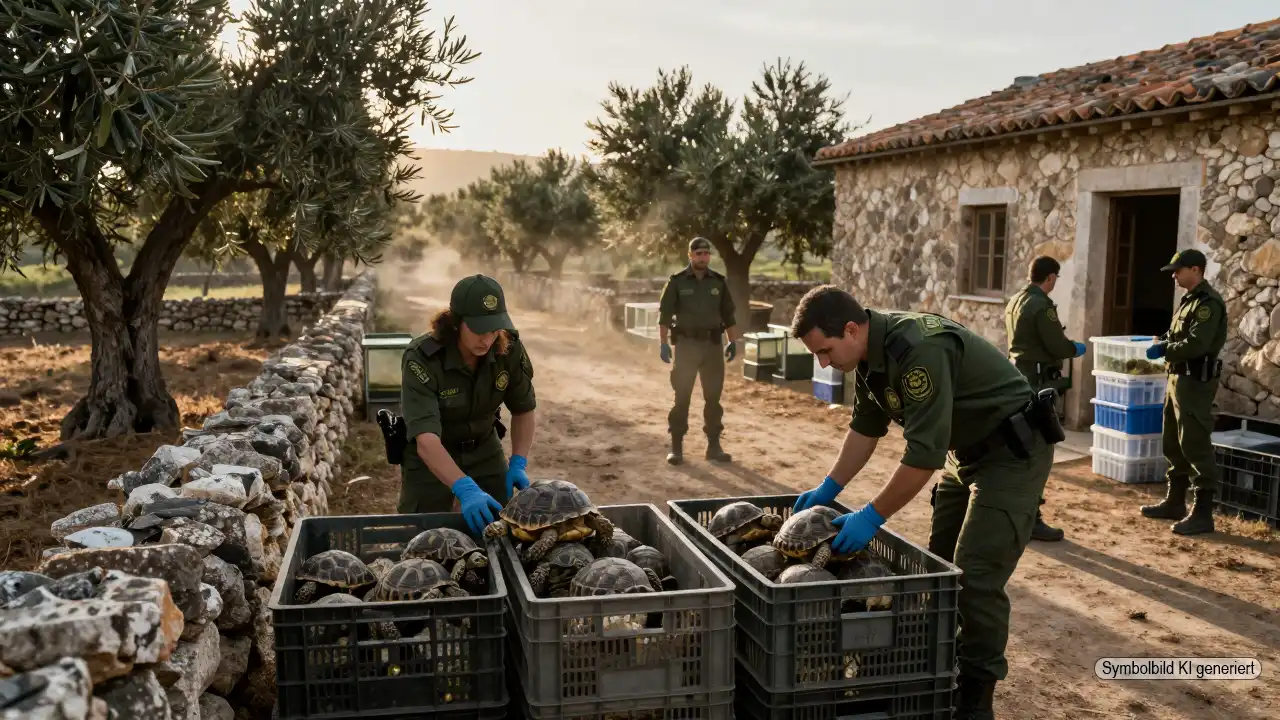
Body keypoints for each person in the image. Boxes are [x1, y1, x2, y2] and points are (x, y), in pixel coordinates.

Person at [789, 286, 1063, 720]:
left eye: (824, 351)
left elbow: (921, 457)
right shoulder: (868, 358)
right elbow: (865, 428)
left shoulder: (917, 349)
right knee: (942, 567)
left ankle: (976, 699)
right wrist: (830, 487)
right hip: (964, 453)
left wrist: (871, 516)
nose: (823, 363)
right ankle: (945, 667)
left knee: (975, 575)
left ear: (851, 329)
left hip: (1011, 455)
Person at [396, 274, 537, 535]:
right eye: (478, 330)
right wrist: (464, 488)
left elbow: (523, 408)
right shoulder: (422, 358)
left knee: (502, 531)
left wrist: (518, 461)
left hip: (484, 446)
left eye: (494, 329)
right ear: (455, 322)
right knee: (422, 536)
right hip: (431, 455)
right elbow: (426, 440)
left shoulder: (508, 348)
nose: (487, 339)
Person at [1140, 249, 1226, 536]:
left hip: (1195, 383)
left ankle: (1202, 513)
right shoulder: (1188, 301)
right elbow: (1177, 335)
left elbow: (1197, 344)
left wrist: (1165, 349)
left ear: (1196, 270)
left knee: (1195, 443)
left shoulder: (1207, 303)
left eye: (1178, 270)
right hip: (1177, 379)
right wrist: (1161, 340)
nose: (1174, 275)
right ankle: (1175, 501)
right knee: (1173, 441)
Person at [1004, 255, 1088, 543]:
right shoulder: (1041, 305)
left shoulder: (1016, 300)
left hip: (1018, 377)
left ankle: (1014, 512)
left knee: (1019, 446)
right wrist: (1073, 349)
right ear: (1050, 277)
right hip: (1037, 383)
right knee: (1039, 450)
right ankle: (1032, 518)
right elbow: (1055, 344)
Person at [657, 236, 741, 465]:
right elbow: (664, 315)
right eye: (699, 254)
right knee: (682, 396)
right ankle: (676, 447)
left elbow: (729, 315)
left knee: (713, 398)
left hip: (712, 347)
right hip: (686, 347)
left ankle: (714, 446)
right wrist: (663, 343)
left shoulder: (718, 282)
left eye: (706, 254)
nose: (703, 258)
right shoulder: (677, 282)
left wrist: (732, 341)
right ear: (690, 255)